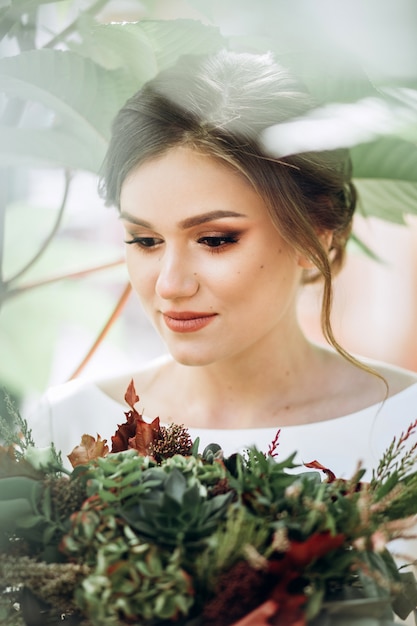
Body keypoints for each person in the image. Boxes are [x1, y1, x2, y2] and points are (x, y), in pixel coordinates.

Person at [29, 49, 417, 480]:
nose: (170, 285)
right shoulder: (63, 429)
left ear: (316, 233)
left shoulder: (406, 430)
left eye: (214, 240)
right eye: (145, 240)